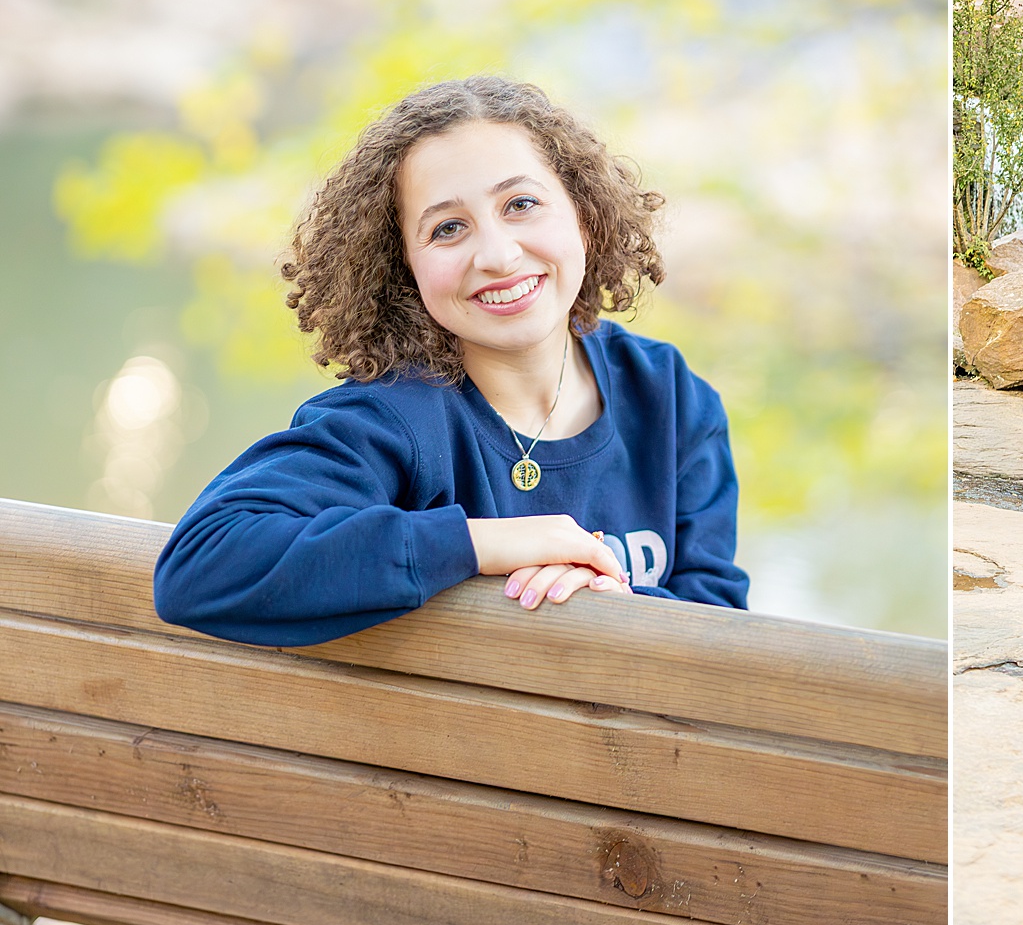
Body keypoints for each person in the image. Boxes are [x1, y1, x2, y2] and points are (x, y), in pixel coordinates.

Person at [154, 76, 748, 646]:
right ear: (401, 269)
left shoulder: (669, 395)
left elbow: (718, 623)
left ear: (585, 216)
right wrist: (481, 545)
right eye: (447, 229)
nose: (498, 255)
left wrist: (614, 606)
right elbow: (201, 563)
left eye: (521, 203)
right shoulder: (391, 420)